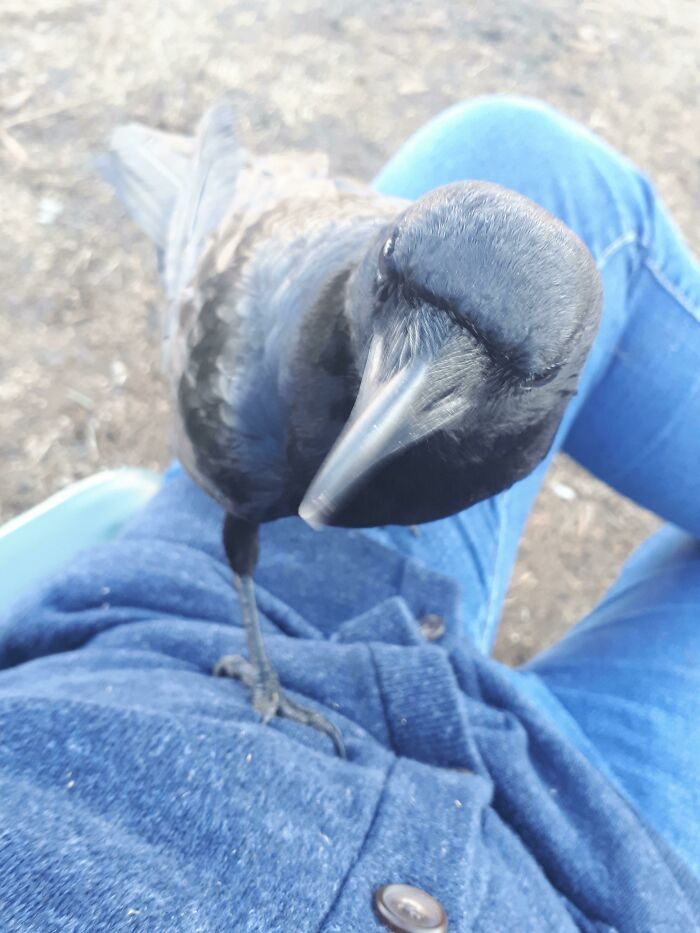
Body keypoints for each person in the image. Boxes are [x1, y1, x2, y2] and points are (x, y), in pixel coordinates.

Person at [0, 97, 698, 932]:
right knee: (253, 500)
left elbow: (460, 288)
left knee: (515, 145)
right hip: (552, 864)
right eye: (399, 299)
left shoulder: (487, 356)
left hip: (145, 634)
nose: (409, 380)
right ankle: (266, 668)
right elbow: (242, 322)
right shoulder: (253, 416)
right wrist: (263, 674)